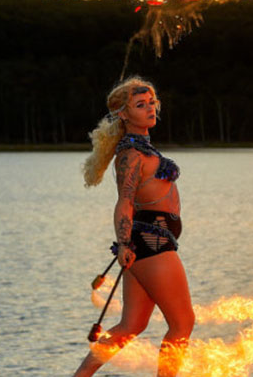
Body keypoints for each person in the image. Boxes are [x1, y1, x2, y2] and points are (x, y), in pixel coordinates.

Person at [74, 76, 195, 377]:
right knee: (182, 323)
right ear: (123, 114)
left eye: (152, 102)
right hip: (151, 243)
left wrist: (128, 244)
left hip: (147, 242)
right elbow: (124, 201)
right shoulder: (130, 154)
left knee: (131, 325)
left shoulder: (142, 149)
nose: (150, 108)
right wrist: (124, 243)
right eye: (140, 105)